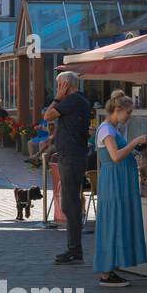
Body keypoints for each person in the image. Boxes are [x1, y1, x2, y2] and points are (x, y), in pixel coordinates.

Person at [91, 91, 147, 288]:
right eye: (128, 112)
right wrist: (134, 142)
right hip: (114, 180)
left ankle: (111, 269)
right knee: (112, 221)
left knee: (118, 220)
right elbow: (115, 156)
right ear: (118, 110)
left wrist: (134, 150)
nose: (129, 116)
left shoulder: (113, 129)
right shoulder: (106, 130)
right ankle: (106, 272)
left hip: (119, 179)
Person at [43, 72, 93, 266]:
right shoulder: (76, 101)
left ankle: (75, 250)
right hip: (70, 155)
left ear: (65, 85)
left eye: (58, 85)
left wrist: (57, 98)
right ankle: (74, 248)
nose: (57, 89)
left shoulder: (72, 100)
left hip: (72, 157)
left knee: (70, 204)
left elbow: (48, 115)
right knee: (68, 203)